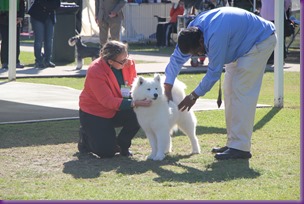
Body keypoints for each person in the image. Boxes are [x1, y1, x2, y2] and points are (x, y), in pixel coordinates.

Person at [164, 7, 277, 160]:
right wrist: (167, 88)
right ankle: (233, 143)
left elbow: (213, 73)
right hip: (239, 45)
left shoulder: (215, 37)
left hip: (259, 40)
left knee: (241, 93)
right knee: (229, 92)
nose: (198, 55)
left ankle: (240, 148)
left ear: (201, 40)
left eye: (198, 52)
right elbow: (175, 60)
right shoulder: (190, 33)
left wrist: (193, 96)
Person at [78, 40, 152, 158]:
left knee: (139, 113)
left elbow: (133, 87)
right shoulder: (95, 70)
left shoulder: (128, 63)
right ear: (110, 61)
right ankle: (85, 138)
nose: (127, 61)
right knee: (106, 153)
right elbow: (107, 101)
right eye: (123, 60)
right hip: (95, 112)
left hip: (117, 107)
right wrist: (136, 102)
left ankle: (123, 144)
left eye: (127, 56)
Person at [27, 0, 60, 69]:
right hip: (37, 16)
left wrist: (48, 6)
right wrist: (49, 6)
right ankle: (39, 61)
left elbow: (57, 5)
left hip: (50, 16)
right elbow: (41, 2)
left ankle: (47, 60)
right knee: (39, 39)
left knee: (49, 40)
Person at [259, 0, 292, 64]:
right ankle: (280, 58)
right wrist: (284, 8)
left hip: (264, 15)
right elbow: (288, 2)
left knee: (266, 38)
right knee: (280, 38)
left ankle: (269, 57)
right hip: (277, 14)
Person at [0, 0, 25, 69]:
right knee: (5, 40)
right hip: (3, 17)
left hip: (15, 17)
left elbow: (22, 3)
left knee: (16, 40)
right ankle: (5, 62)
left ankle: (16, 61)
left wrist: (21, 16)